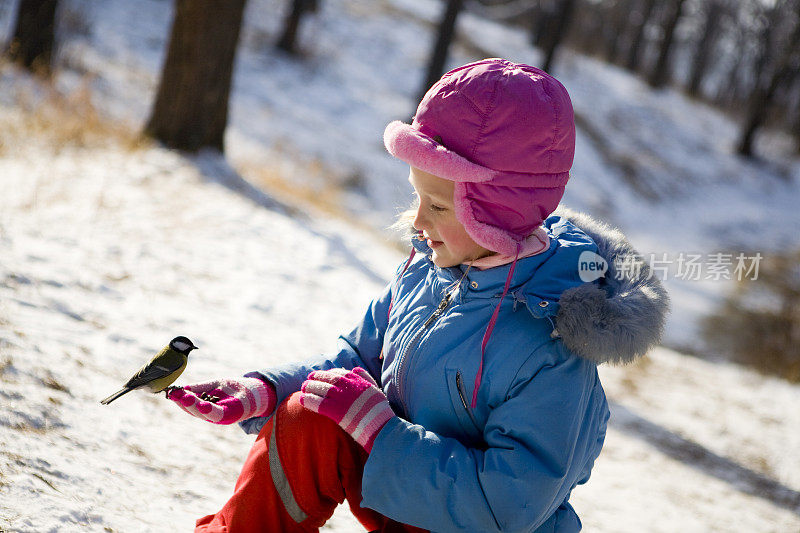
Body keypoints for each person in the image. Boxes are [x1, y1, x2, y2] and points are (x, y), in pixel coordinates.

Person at [168, 58, 669, 532]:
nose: (418, 220)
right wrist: (267, 390)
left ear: (498, 212)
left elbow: (510, 506)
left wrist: (382, 433)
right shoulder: (430, 269)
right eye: (417, 196)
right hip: (403, 498)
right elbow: (354, 361)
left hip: (481, 524)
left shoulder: (549, 342)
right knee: (308, 412)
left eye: (438, 206)